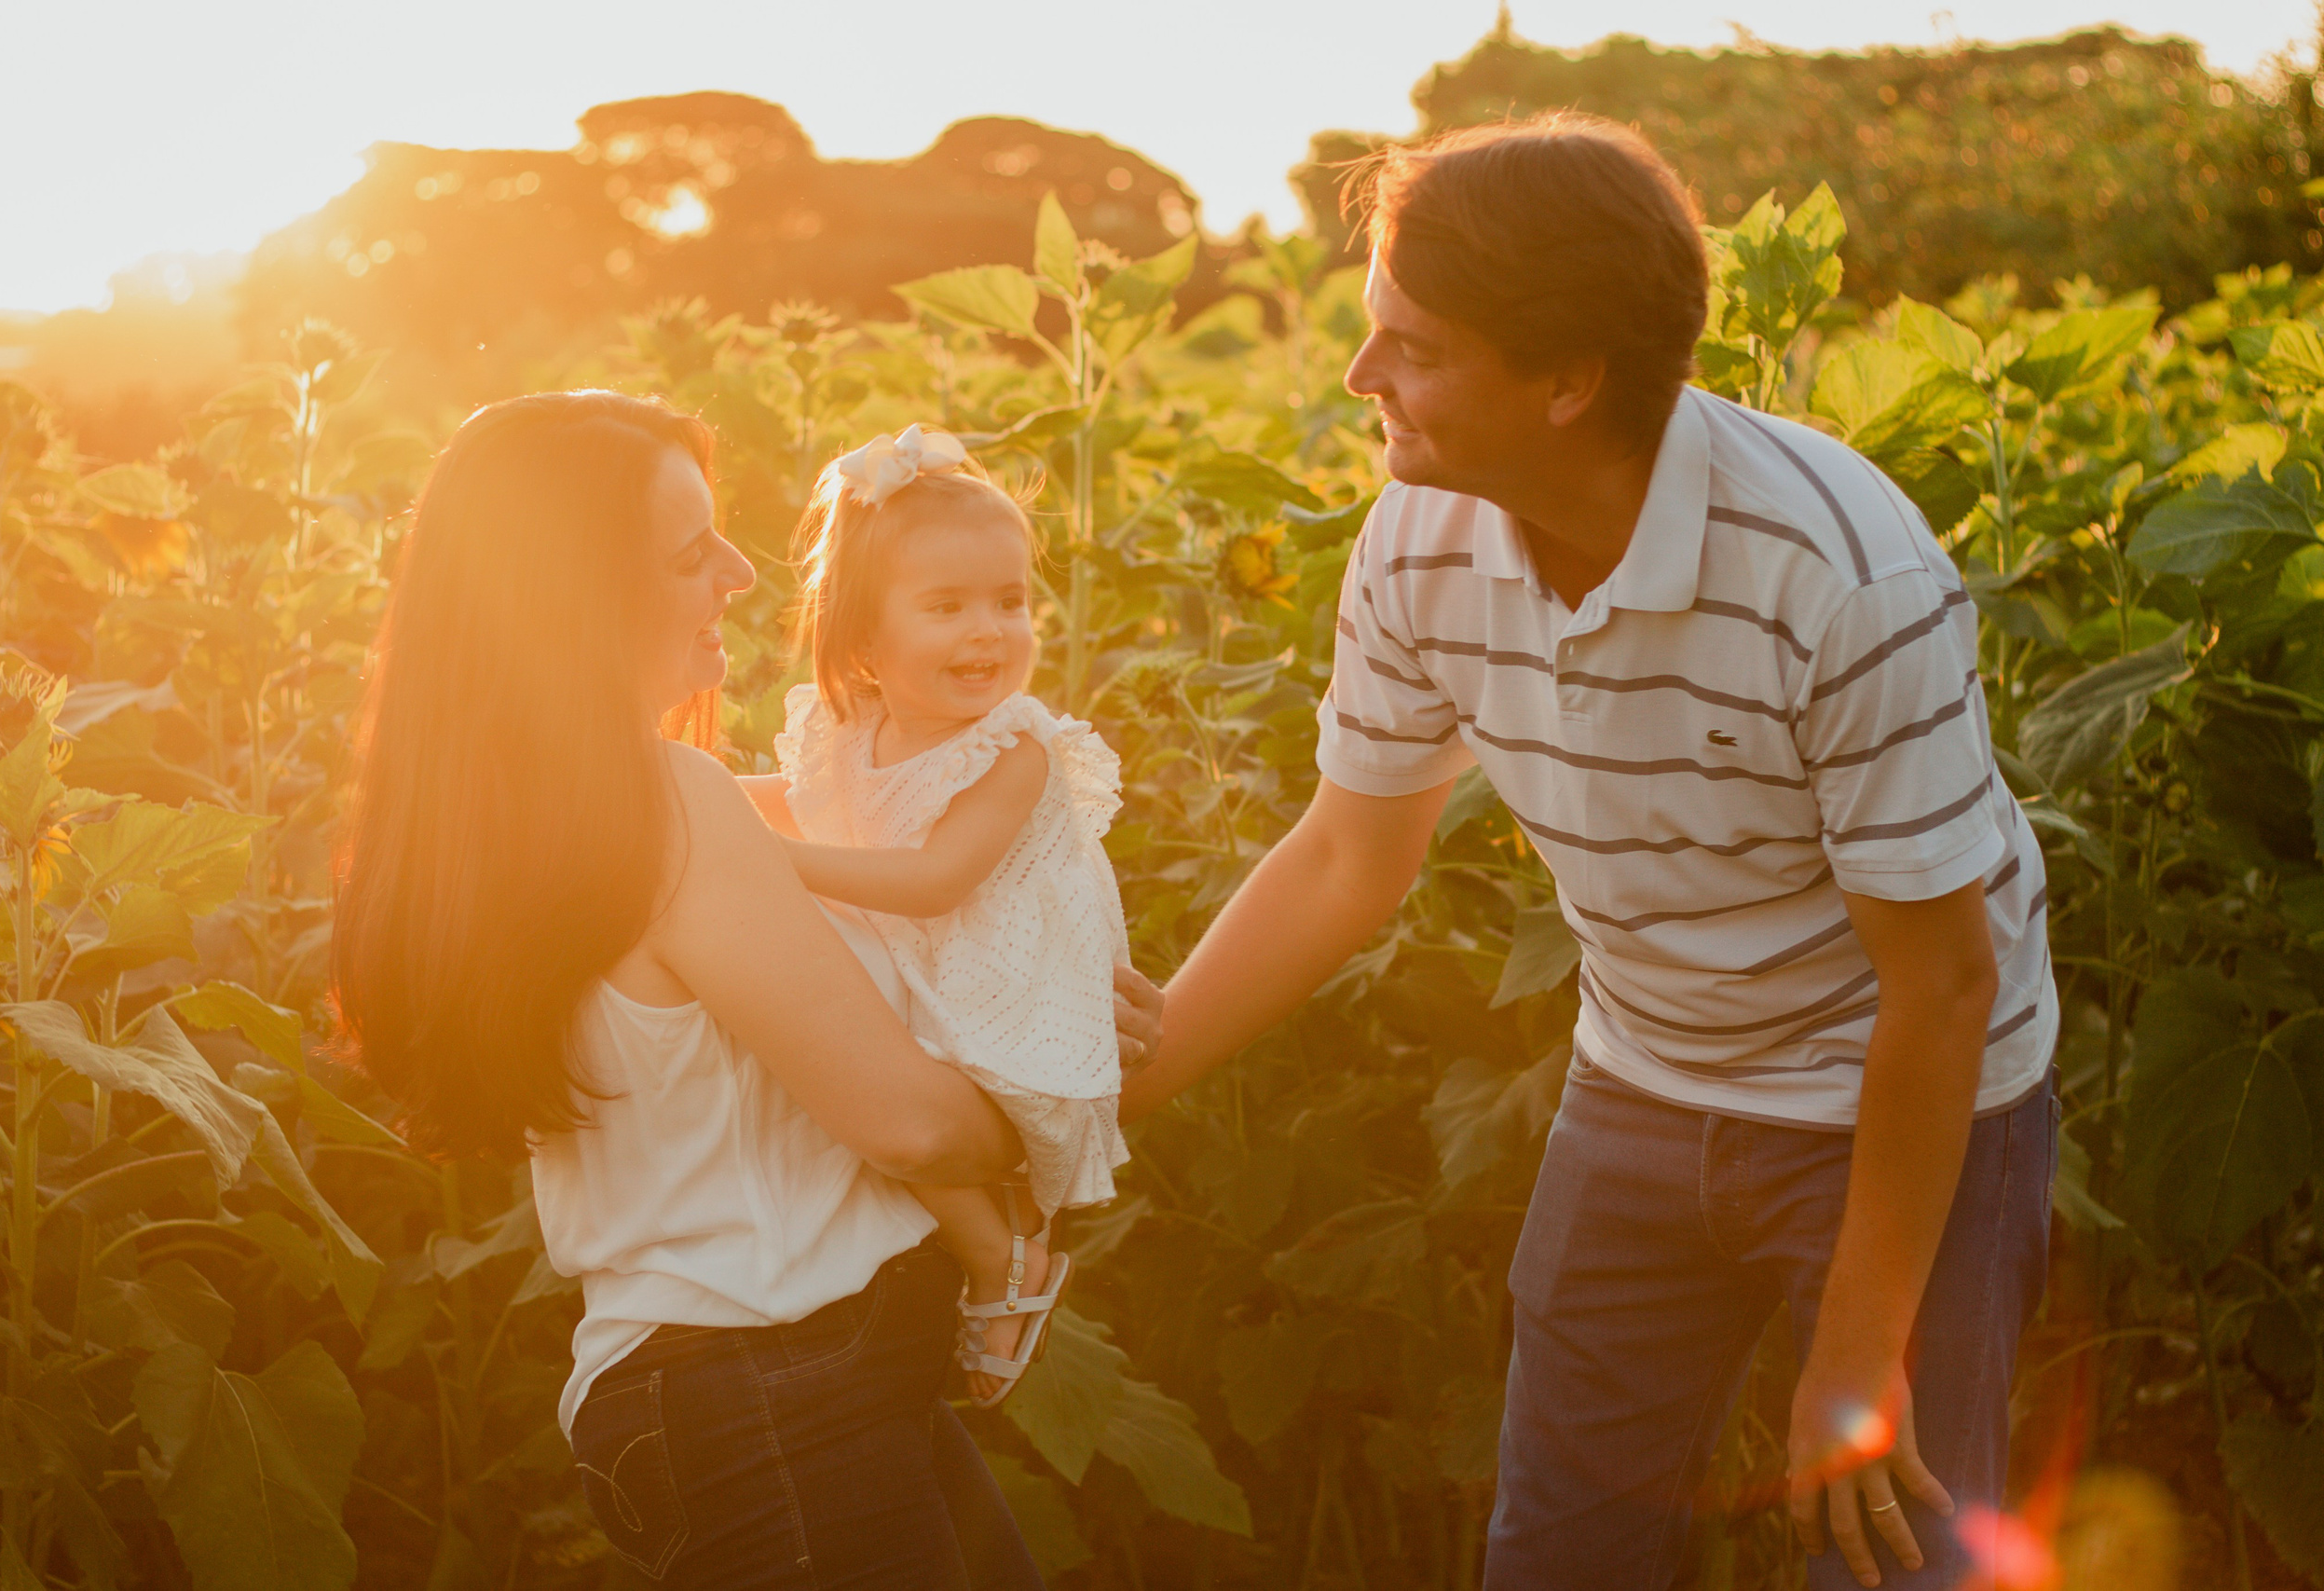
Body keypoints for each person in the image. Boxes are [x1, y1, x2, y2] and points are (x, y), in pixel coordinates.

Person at [1116, 115, 2057, 1591]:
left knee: (1892, 1553)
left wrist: (1858, 1351)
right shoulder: (1417, 540)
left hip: (1904, 1097)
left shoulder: (1836, 570)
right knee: (1558, 1551)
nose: (1363, 379)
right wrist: (1126, 1078)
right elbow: (1347, 860)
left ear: (1568, 379)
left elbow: (1939, 982)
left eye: (1411, 349)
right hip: (1645, 1079)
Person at [330, 390, 1143, 1589]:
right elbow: (910, 1121)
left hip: (746, 1387)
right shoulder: (661, 804)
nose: (740, 570)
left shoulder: (530, 813)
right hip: (768, 1390)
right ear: (579, 597)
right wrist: (1081, 1064)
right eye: (689, 550)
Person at [743, 423, 1130, 1407]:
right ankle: (969, 1252)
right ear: (865, 639)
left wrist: (776, 866)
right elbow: (795, 798)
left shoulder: (1014, 748)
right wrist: (699, 796)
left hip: (1002, 971)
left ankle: (1005, 1261)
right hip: (920, 954)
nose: (989, 632)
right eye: (947, 607)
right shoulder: (849, 728)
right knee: (846, 1052)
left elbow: (935, 881)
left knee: (881, 1080)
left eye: (1010, 602)